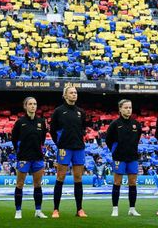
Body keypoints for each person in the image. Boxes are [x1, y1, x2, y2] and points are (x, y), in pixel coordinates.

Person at [50, 85, 87, 218]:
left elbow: (83, 129)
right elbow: (53, 130)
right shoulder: (58, 111)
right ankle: (55, 209)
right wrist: (60, 144)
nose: (74, 95)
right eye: (71, 93)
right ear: (65, 95)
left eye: (75, 93)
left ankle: (79, 209)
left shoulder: (81, 112)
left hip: (78, 148)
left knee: (78, 178)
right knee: (60, 177)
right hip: (64, 148)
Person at [11, 97, 49, 219]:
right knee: (20, 184)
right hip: (23, 157)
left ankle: (38, 211)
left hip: (37, 157)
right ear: (25, 106)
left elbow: (42, 139)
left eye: (35, 104)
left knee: (37, 184)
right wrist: (21, 151)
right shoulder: (20, 122)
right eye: (30, 104)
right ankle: (18, 211)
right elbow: (14, 139)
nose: (33, 106)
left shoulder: (41, 122)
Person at [105, 99, 143, 217]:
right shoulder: (114, 124)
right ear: (120, 109)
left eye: (130, 107)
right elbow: (108, 140)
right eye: (126, 107)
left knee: (133, 183)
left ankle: (132, 208)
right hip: (119, 157)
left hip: (132, 157)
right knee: (117, 182)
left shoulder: (136, 124)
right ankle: (115, 208)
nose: (128, 110)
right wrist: (116, 151)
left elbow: (137, 139)